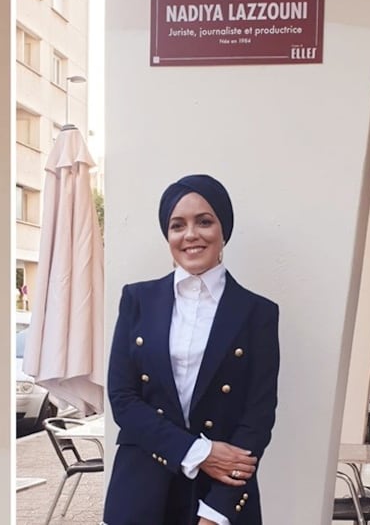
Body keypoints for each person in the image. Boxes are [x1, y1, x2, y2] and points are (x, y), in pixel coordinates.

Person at [102, 174, 279, 525]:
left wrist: (217, 512)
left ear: (223, 230)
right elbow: (122, 398)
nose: (190, 235)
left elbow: (258, 416)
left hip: (220, 494)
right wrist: (199, 452)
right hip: (141, 489)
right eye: (177, 225)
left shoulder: (258, 312)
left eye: (204, 221)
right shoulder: (137, 299)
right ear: (168, 237)